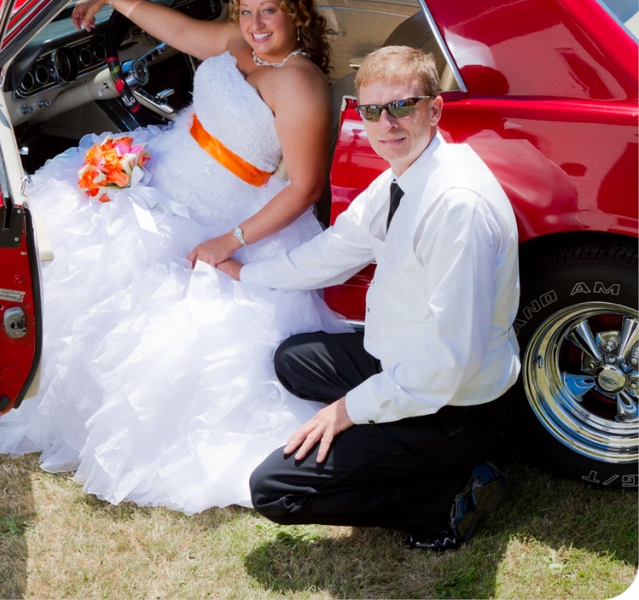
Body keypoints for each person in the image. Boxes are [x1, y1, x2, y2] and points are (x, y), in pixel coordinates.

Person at [0, 0, 352, 514]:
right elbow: (183, 32)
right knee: (71, 242)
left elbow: (303, 188)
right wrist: (116, 0)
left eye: (270, 11)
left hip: (222, 211)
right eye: (247, 10)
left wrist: (227, 242)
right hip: (164, 161)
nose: (256, 24)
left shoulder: (299, 83)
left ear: (295, 12)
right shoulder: (240, 43)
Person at [216, 45, 521, 550]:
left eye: (402, 106)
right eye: (372, 110)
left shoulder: (455, 208)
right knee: (295, 361)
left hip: (456, 404)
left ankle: (438, 501)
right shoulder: (403, 173)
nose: (387, 123)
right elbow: (337, 250)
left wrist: (347, 410)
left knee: (274, 491)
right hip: (407, 356)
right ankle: (430, 462)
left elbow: (449, 362)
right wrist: (244, 273)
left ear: (434, 108)